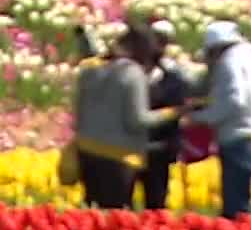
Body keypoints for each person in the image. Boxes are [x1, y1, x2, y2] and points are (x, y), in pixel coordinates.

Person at [70, 21, 177, 209]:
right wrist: (174, 113)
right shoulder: (132, 74)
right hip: (118, 156)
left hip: (86, 152)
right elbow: (137, 120)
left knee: (92, 213)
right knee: (114, 218)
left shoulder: (91, 69)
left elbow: (78, 111)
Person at [187, 21, 251, 219]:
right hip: (250, 135)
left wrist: (200, 118)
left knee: (235, 210)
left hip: (235, 137)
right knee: (241, 204)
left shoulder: (229, 62)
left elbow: (234, 100)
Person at [137, 19, 193, 210]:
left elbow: (178, 110)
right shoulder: (132, 74)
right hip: (132, 147)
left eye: (162, 41)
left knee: (156, 203)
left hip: (160, 149)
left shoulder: (173, 77)